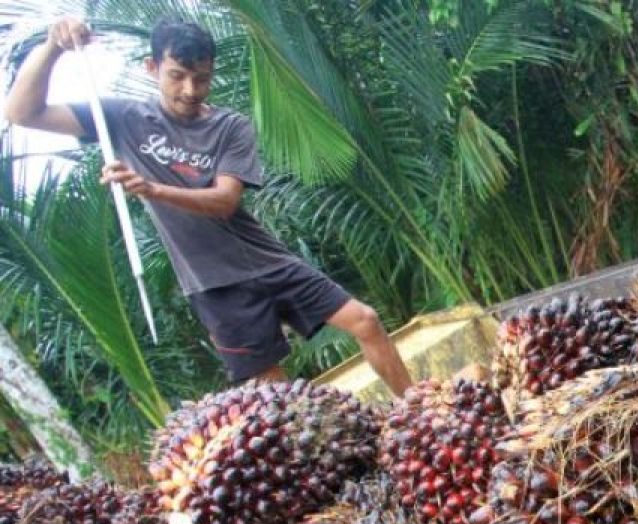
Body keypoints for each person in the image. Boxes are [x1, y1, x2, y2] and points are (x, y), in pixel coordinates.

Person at [4, 16, 414, 396]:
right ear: (152, 68)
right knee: (274, 391)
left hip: (267, 260)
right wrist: (52, 47)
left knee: (367, 321)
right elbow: (21, 113)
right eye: (177, 76)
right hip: (214, 283)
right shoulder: (122, 117)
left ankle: (413, 410)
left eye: (200, 79)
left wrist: (151, 188)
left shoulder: (229, 127)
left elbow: (224, 201)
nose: (188, 90)